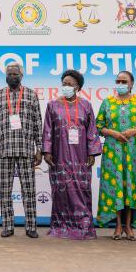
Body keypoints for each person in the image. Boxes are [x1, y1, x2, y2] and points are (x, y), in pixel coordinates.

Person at [95, 71, 136, 240]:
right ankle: (118, 225)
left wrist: (134, 130)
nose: (120, 84)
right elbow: (98, 125)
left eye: (124, 81)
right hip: (113, 153)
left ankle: (129, 226)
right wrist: (113, 133)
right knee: (116, 188)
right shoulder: (108, 102)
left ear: (131, 84)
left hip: (134, 152)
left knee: (131, 186)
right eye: (117, 81)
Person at [42, 70, 102, 240]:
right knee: (60, 191)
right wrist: (46, 151)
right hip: (59, 156)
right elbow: (47, 130)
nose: (66, 87)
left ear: (78, 87)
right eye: (64, 83)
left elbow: (92, 130)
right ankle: (60, 226)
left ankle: (83, 227)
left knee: (81, 190)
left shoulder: (86, 105)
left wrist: (92, 152)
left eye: (69, 84)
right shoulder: (52, 105)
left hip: (80, 156)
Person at [0, 63, 43, 238]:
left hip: (26, 150)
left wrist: (39, 148)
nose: (12, 76)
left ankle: (31, 226)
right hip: (4, 150)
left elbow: (37, 123)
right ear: (5, 76)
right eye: (9, 74)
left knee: (29, 191)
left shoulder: (31, 94)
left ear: (21, 76)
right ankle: (8, 226)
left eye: (15, 74)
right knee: (5, 191)